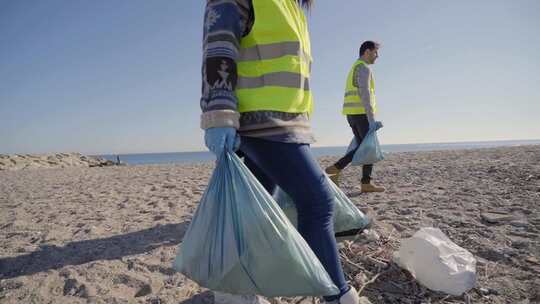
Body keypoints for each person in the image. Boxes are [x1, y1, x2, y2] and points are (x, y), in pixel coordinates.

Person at [200, 0, 359, 303]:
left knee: (258, 209)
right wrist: (219, 113)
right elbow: (219, 46)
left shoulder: (290, 5)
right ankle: (338, 296)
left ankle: (233, 289)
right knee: (317, 201)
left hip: (286, 120)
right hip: (261, 119)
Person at [325, 41, 385, 192]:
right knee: (368, 147)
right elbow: (364, 94)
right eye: (375, 52)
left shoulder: (354, 67)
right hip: (361, 114)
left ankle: (339, 171)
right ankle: (361, 180)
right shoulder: (364, 68)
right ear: (367, 51)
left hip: (352, 115)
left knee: (361, 147)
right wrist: (371, 119)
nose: (377, 56)